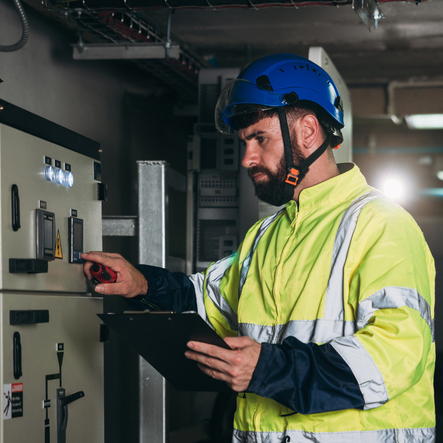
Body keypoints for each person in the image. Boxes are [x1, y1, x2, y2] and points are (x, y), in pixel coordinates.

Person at [82, 54, 436, 443]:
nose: (248, 158)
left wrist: (268, 369)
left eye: (260, 139)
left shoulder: (380, 224)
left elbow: (397, 355)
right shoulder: (266, 235)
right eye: (244, 142)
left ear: (307, 130)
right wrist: (142, 284)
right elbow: (209, 301)